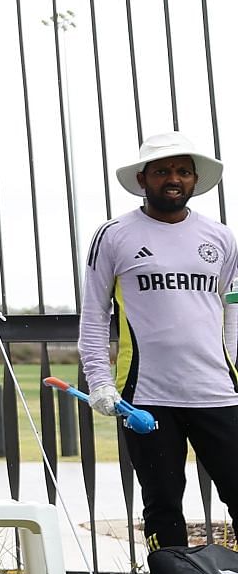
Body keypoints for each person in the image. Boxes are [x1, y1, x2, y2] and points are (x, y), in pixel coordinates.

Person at [79, 131, 238, 549]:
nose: (174, 178)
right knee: (163, 506)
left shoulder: (221, 238)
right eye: (163, 170)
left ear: (194, 180)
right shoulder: (113, 236)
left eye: (183, 171)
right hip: (146, 397)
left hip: (217, 392)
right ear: (142, 179)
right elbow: (94, 316)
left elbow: (232, 307)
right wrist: (99, 382)